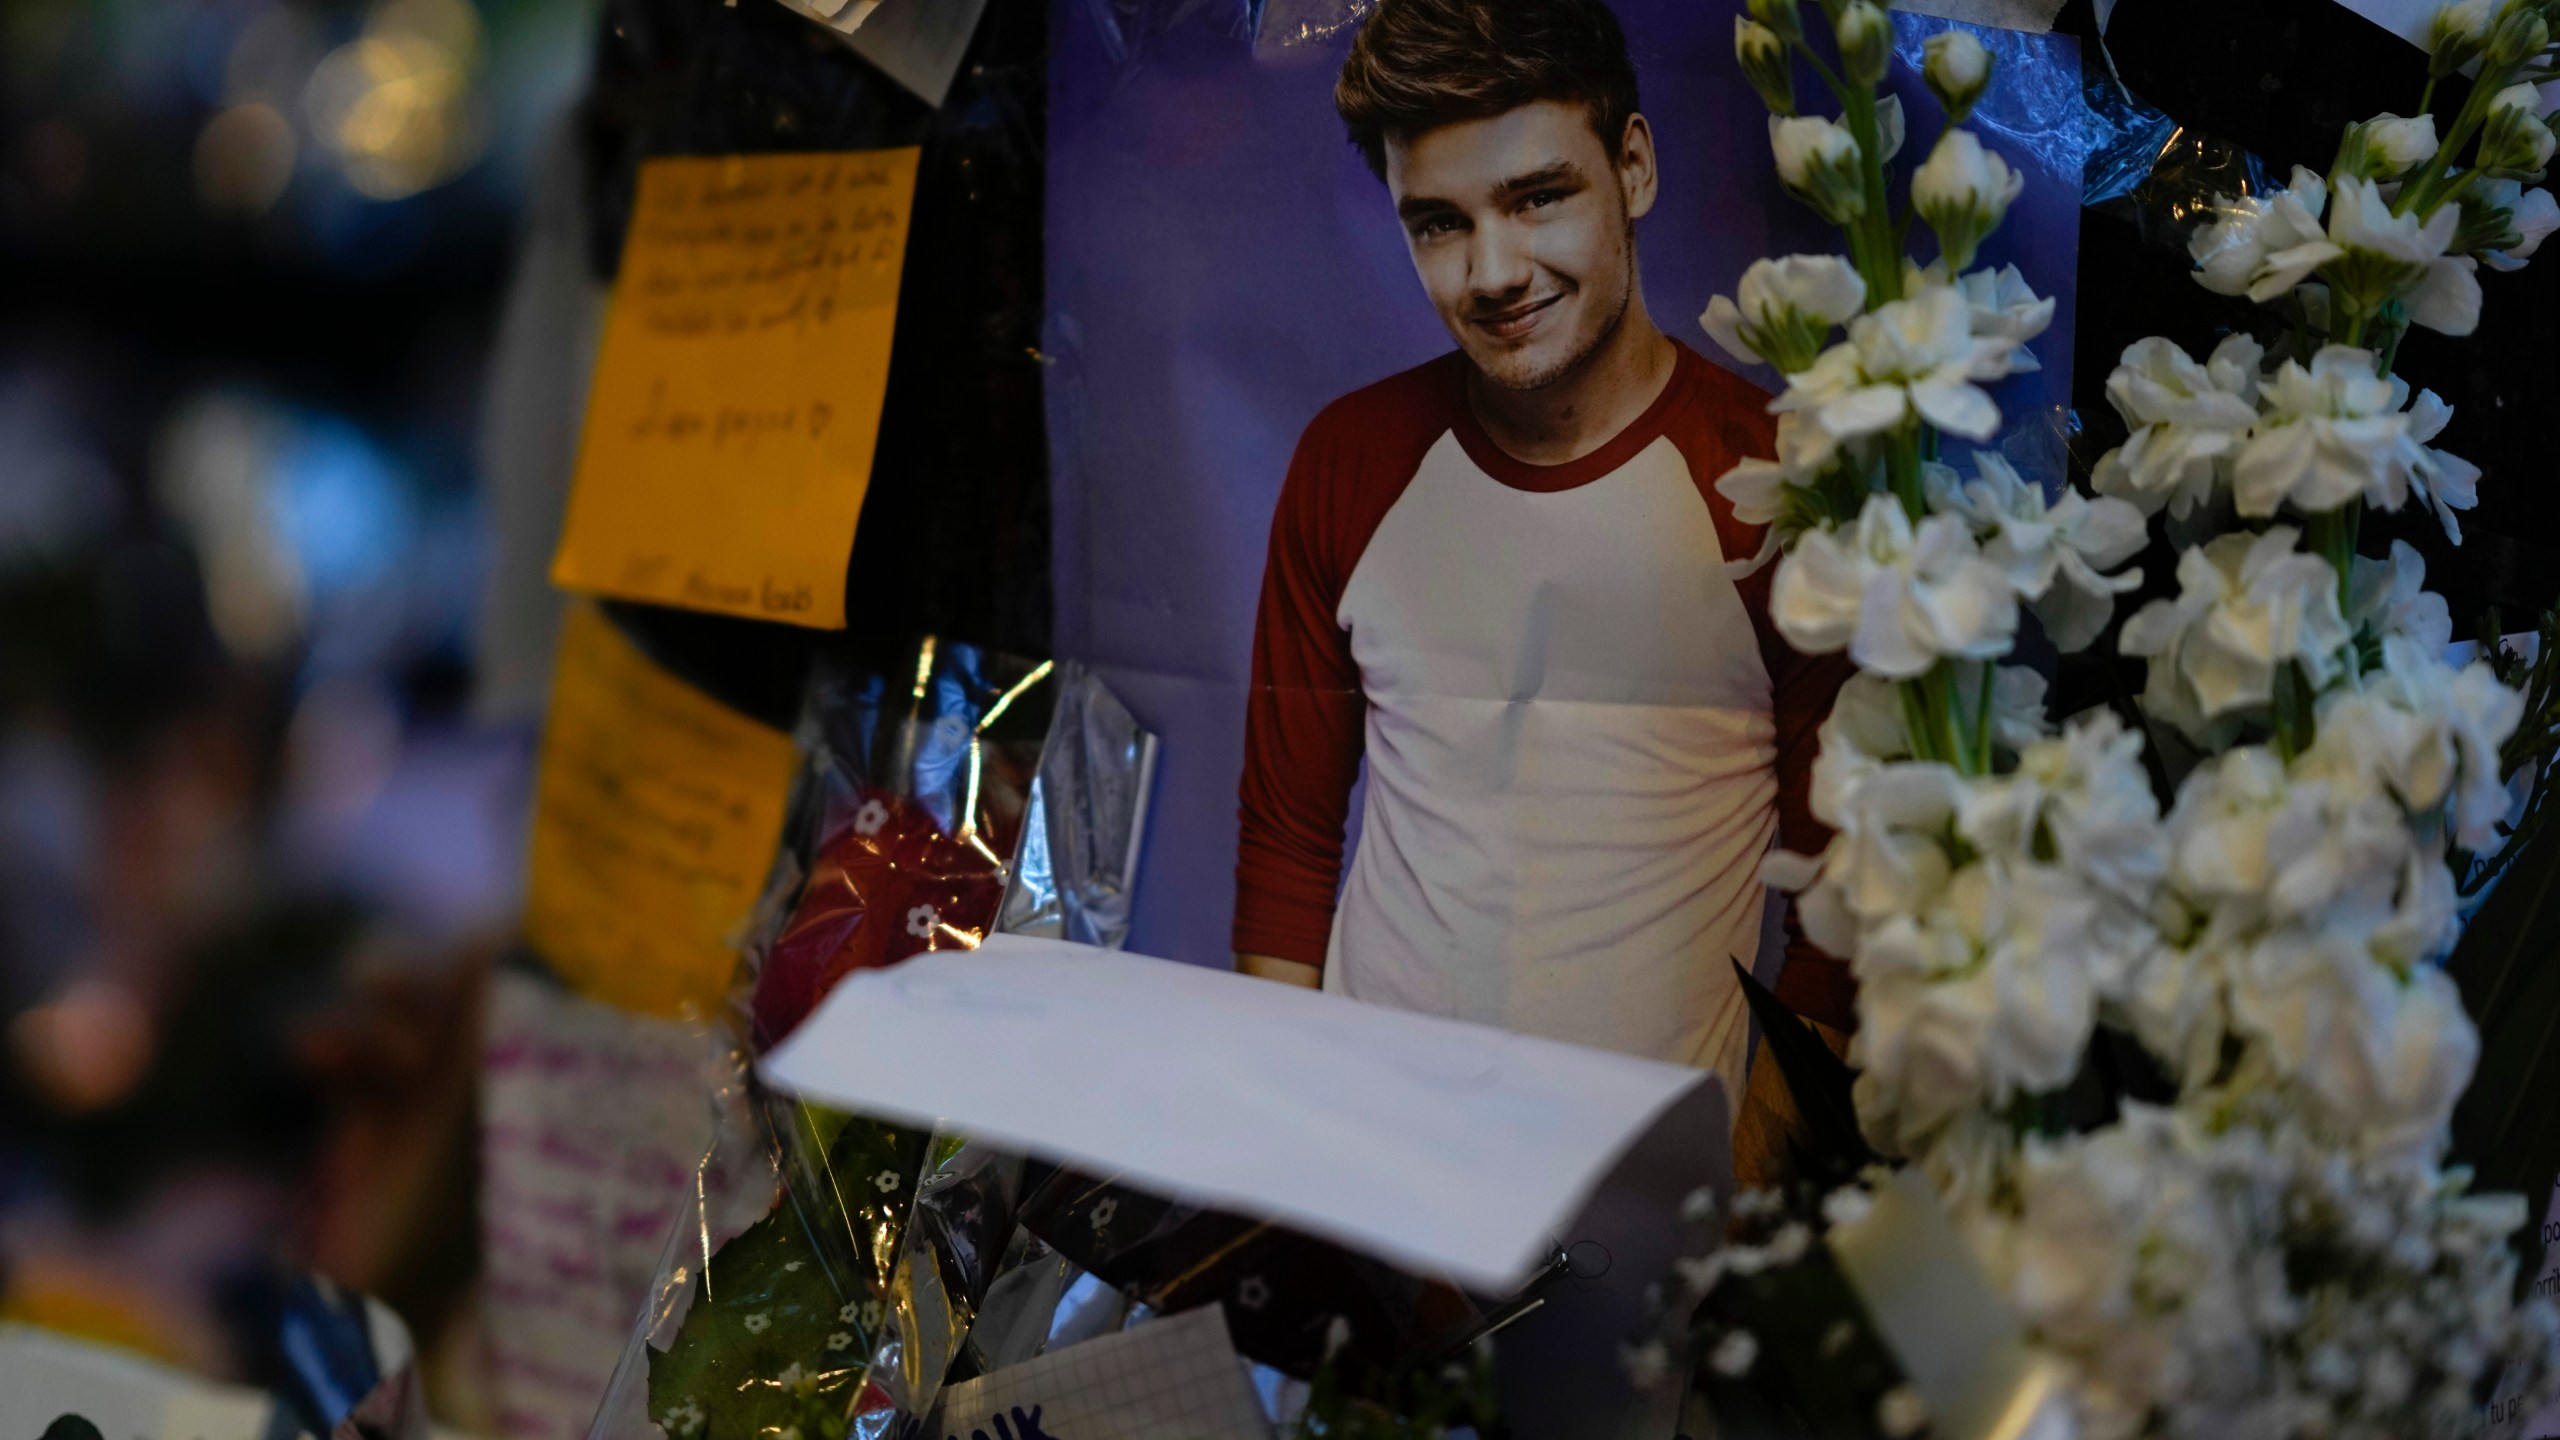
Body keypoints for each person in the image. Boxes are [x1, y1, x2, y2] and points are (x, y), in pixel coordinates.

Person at [1230, 0, 1854, 1107]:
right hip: (1366, 1159)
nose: (1492, 271)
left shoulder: (1780, 478)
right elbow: (1286, 844)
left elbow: (1842, 908)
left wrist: (1753, 1187)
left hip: (1645, 1198)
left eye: (1536, 198)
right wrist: (1292, 1152)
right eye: (1438, 222)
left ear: (1634, 167)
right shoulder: (1351, 459)